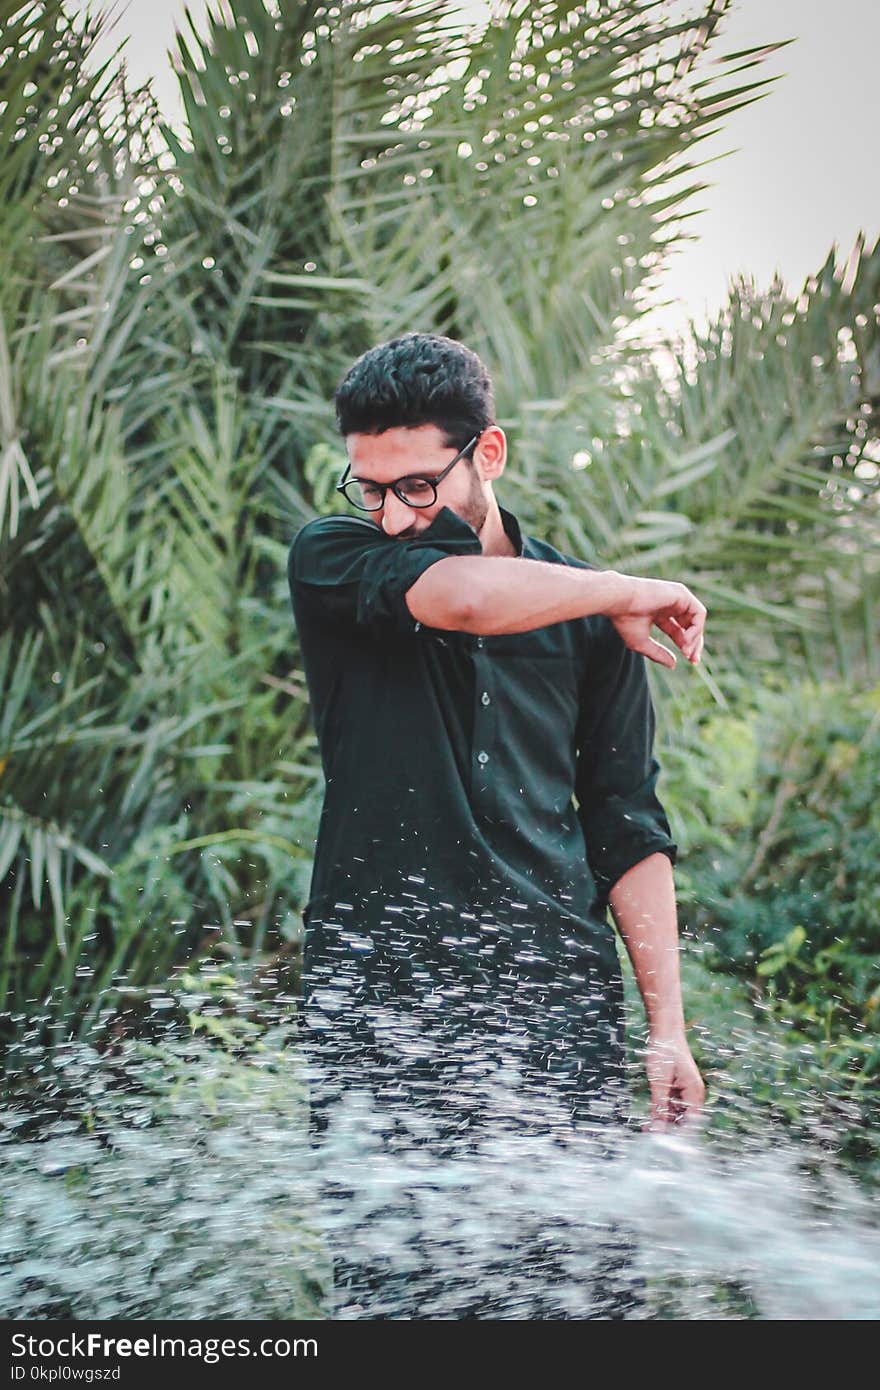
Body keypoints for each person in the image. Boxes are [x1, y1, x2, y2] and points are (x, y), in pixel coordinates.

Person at [287, 332, 706, 1316]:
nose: (391, 515)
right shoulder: (337, 556)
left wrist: (667, 1030)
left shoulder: (591, 620)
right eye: (370, 487)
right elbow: (464, 596)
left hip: (557, 1013)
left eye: (418, 487)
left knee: (583, 1303)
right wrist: (631, 589)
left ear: (490, 453)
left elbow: (627, 829)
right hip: (380, 1010)